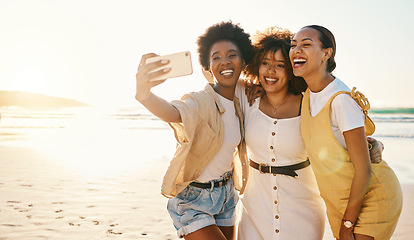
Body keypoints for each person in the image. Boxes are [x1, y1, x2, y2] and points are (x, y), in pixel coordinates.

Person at [135, 21, 253, 240]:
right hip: (194, 199)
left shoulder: (243, 100)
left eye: (232, 55)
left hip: (227, 195)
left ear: (243, 61)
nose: (224, 61)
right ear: (208, 67)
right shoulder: (200, 101)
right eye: (216, 57)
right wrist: (145, 96)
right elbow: (173, 112)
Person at [289, 25, 402, 240]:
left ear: (326, 53)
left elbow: (364, 170)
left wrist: (347, 224)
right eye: (293, 45)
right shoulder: (306, 95)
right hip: (339, 200)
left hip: (371, 196)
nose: (296, 50)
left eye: (306, 44)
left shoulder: (341, 100)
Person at [236, 26, 326, 240]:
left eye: (280, 65)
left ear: (292, 69)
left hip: (302, 213)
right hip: (254, 211)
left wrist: (370, 145)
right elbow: (213, 74)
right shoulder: (247, 98)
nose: (270, 71)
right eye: (265, 63)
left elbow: (337, 137)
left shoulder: (309, 104)